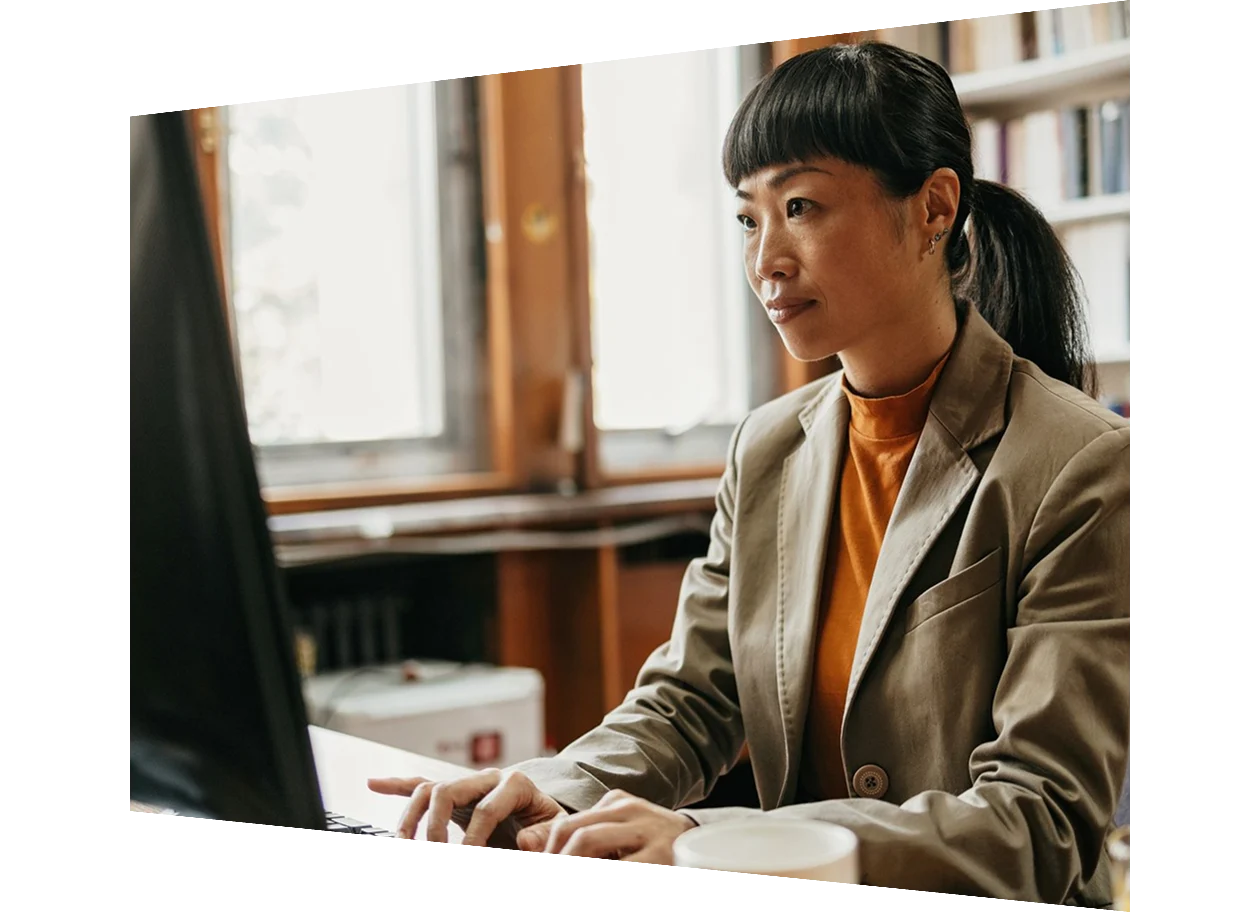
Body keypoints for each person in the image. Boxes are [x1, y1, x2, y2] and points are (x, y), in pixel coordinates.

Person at [369, 41, 1130, 907]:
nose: (766, 257)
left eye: (799, 206)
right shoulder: (768, 447)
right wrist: (559, 787)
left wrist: (711, 835)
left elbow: (1040, 825)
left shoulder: (1078, 464)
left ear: (933, 209)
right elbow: (692, 696)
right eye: (746, 218)